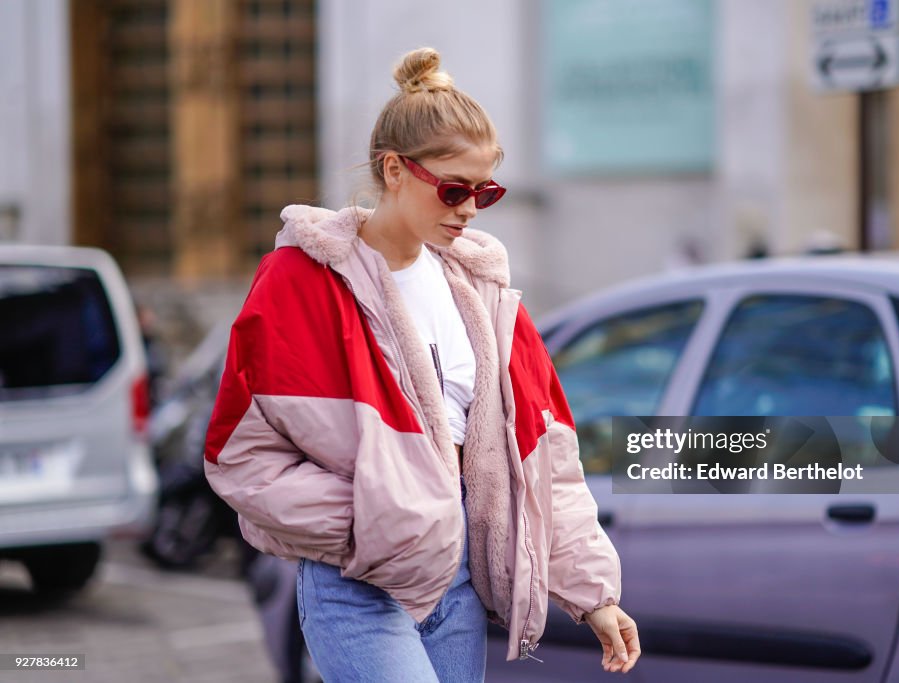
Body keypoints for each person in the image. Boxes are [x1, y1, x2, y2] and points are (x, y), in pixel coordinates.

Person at [203, 47, 640, 682]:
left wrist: (594, 593)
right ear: (394, 170)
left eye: (485, 191)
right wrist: (373, 523)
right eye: (454, 188)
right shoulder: (302, 282)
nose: (468, 208)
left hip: (460, 587)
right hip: (359, 590)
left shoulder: (486, 296)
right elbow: (238, 457)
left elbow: (548, 460)